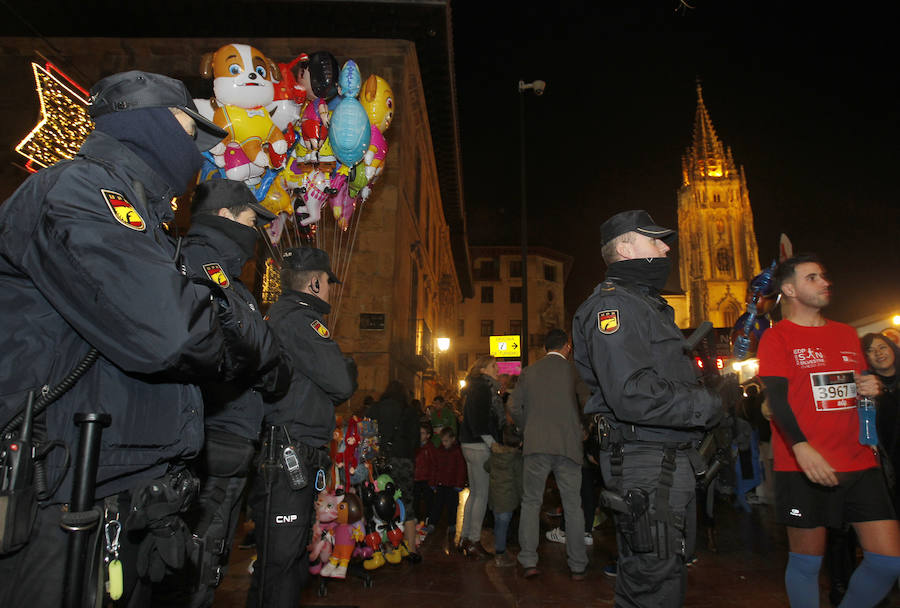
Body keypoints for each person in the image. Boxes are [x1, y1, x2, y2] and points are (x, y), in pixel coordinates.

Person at [0, 70, 284, 608]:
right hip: (63, 494)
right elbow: (174, 334)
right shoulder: (82, 190)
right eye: (186, 131)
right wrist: (229, 334)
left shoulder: (143, 217)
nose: (196, 155)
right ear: (146, 123)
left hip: (117, 489)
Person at [572, 210, 723, 606]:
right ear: (625, 247)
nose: (665, 247)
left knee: (659, 571)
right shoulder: (616, 308)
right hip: (645, 459)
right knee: (652, 580)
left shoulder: (644, 305)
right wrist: (708, 404)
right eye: (654, 239)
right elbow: (632, 393)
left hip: (663, 457)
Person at [162, 178, 290, 608]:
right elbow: (254, 348)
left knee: (208, 558)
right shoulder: (205, 263)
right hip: (212, 441)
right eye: (252, 220)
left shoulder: (228, 274)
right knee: (195, 561)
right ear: (225, 215)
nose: (257, 232)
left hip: (225, 443)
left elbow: (265, 356)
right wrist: (265, 352)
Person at [758, 254, 900, 608]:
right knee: (807, 563)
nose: (825, 282)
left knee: (887, 561)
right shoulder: (777, 338)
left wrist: (870, 388)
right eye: (812, 278)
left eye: (824, 276)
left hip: (859, 462)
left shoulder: (847, 333)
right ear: (789, 289)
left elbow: (854, 386)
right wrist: (801, 447)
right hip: (805, 466)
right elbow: (777, 400)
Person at [246, 247, 356, 608]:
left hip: (288, 454)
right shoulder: (300, 321)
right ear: (313, 282)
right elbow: (341, 382)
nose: (330, 290)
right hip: (288, 456)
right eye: (327, 282)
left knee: (286, 560)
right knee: (281, 564)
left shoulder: (285, 317)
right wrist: (348, 365)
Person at [511, 328, 590, 580]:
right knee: (572, 505)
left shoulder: (529, 372)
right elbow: (588, 403)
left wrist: (527, 428)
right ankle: (577, 564)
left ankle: (528, 561)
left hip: (536, 445)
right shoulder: (574, 370)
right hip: (568, 445)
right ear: (567, 347)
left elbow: (513, 406)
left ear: (545, 349)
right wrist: (583, 428)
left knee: (531, 502)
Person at [366, 379, 423, 563]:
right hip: (403, 461)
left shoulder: (375, 409)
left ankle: (383, 547)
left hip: (379, 461)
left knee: (380, 503)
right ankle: (411, 549)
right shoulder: (410, 412)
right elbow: (415, 441)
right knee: (406, 503)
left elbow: (366, 435)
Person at [458, 355, 504, 559]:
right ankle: (474, 540)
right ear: (483, 370)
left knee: (474, 494)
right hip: (478, 445)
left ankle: (465, 539)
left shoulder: (475, 387)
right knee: (481, 495)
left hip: (469, 443)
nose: (497, 369)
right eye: (493, 366)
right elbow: (480, 419)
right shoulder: (483, 388)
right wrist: (491, 442)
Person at [485, 416, 523, 568]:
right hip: (507, 499)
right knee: (503, 526)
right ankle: (500, 554)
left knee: (499, 525)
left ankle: (501, 549)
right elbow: (520, 481)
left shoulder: (496, 455)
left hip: (495, 497)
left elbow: (486, 467)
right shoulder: (516, 459)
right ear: (520, 443)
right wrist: (523, 497)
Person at [427, 427, 467, 547]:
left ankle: (452, 524)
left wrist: (459, 484)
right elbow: (435, 467)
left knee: (452, 505)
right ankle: (433, 522)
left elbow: (461, 469)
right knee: (437, 504)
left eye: (446, 441)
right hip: (440, 484)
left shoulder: (457, 452)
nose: (444, 443)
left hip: (452, 485)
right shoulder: (439, 451)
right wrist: (433, 482)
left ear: (453, 439)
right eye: (442, 441)